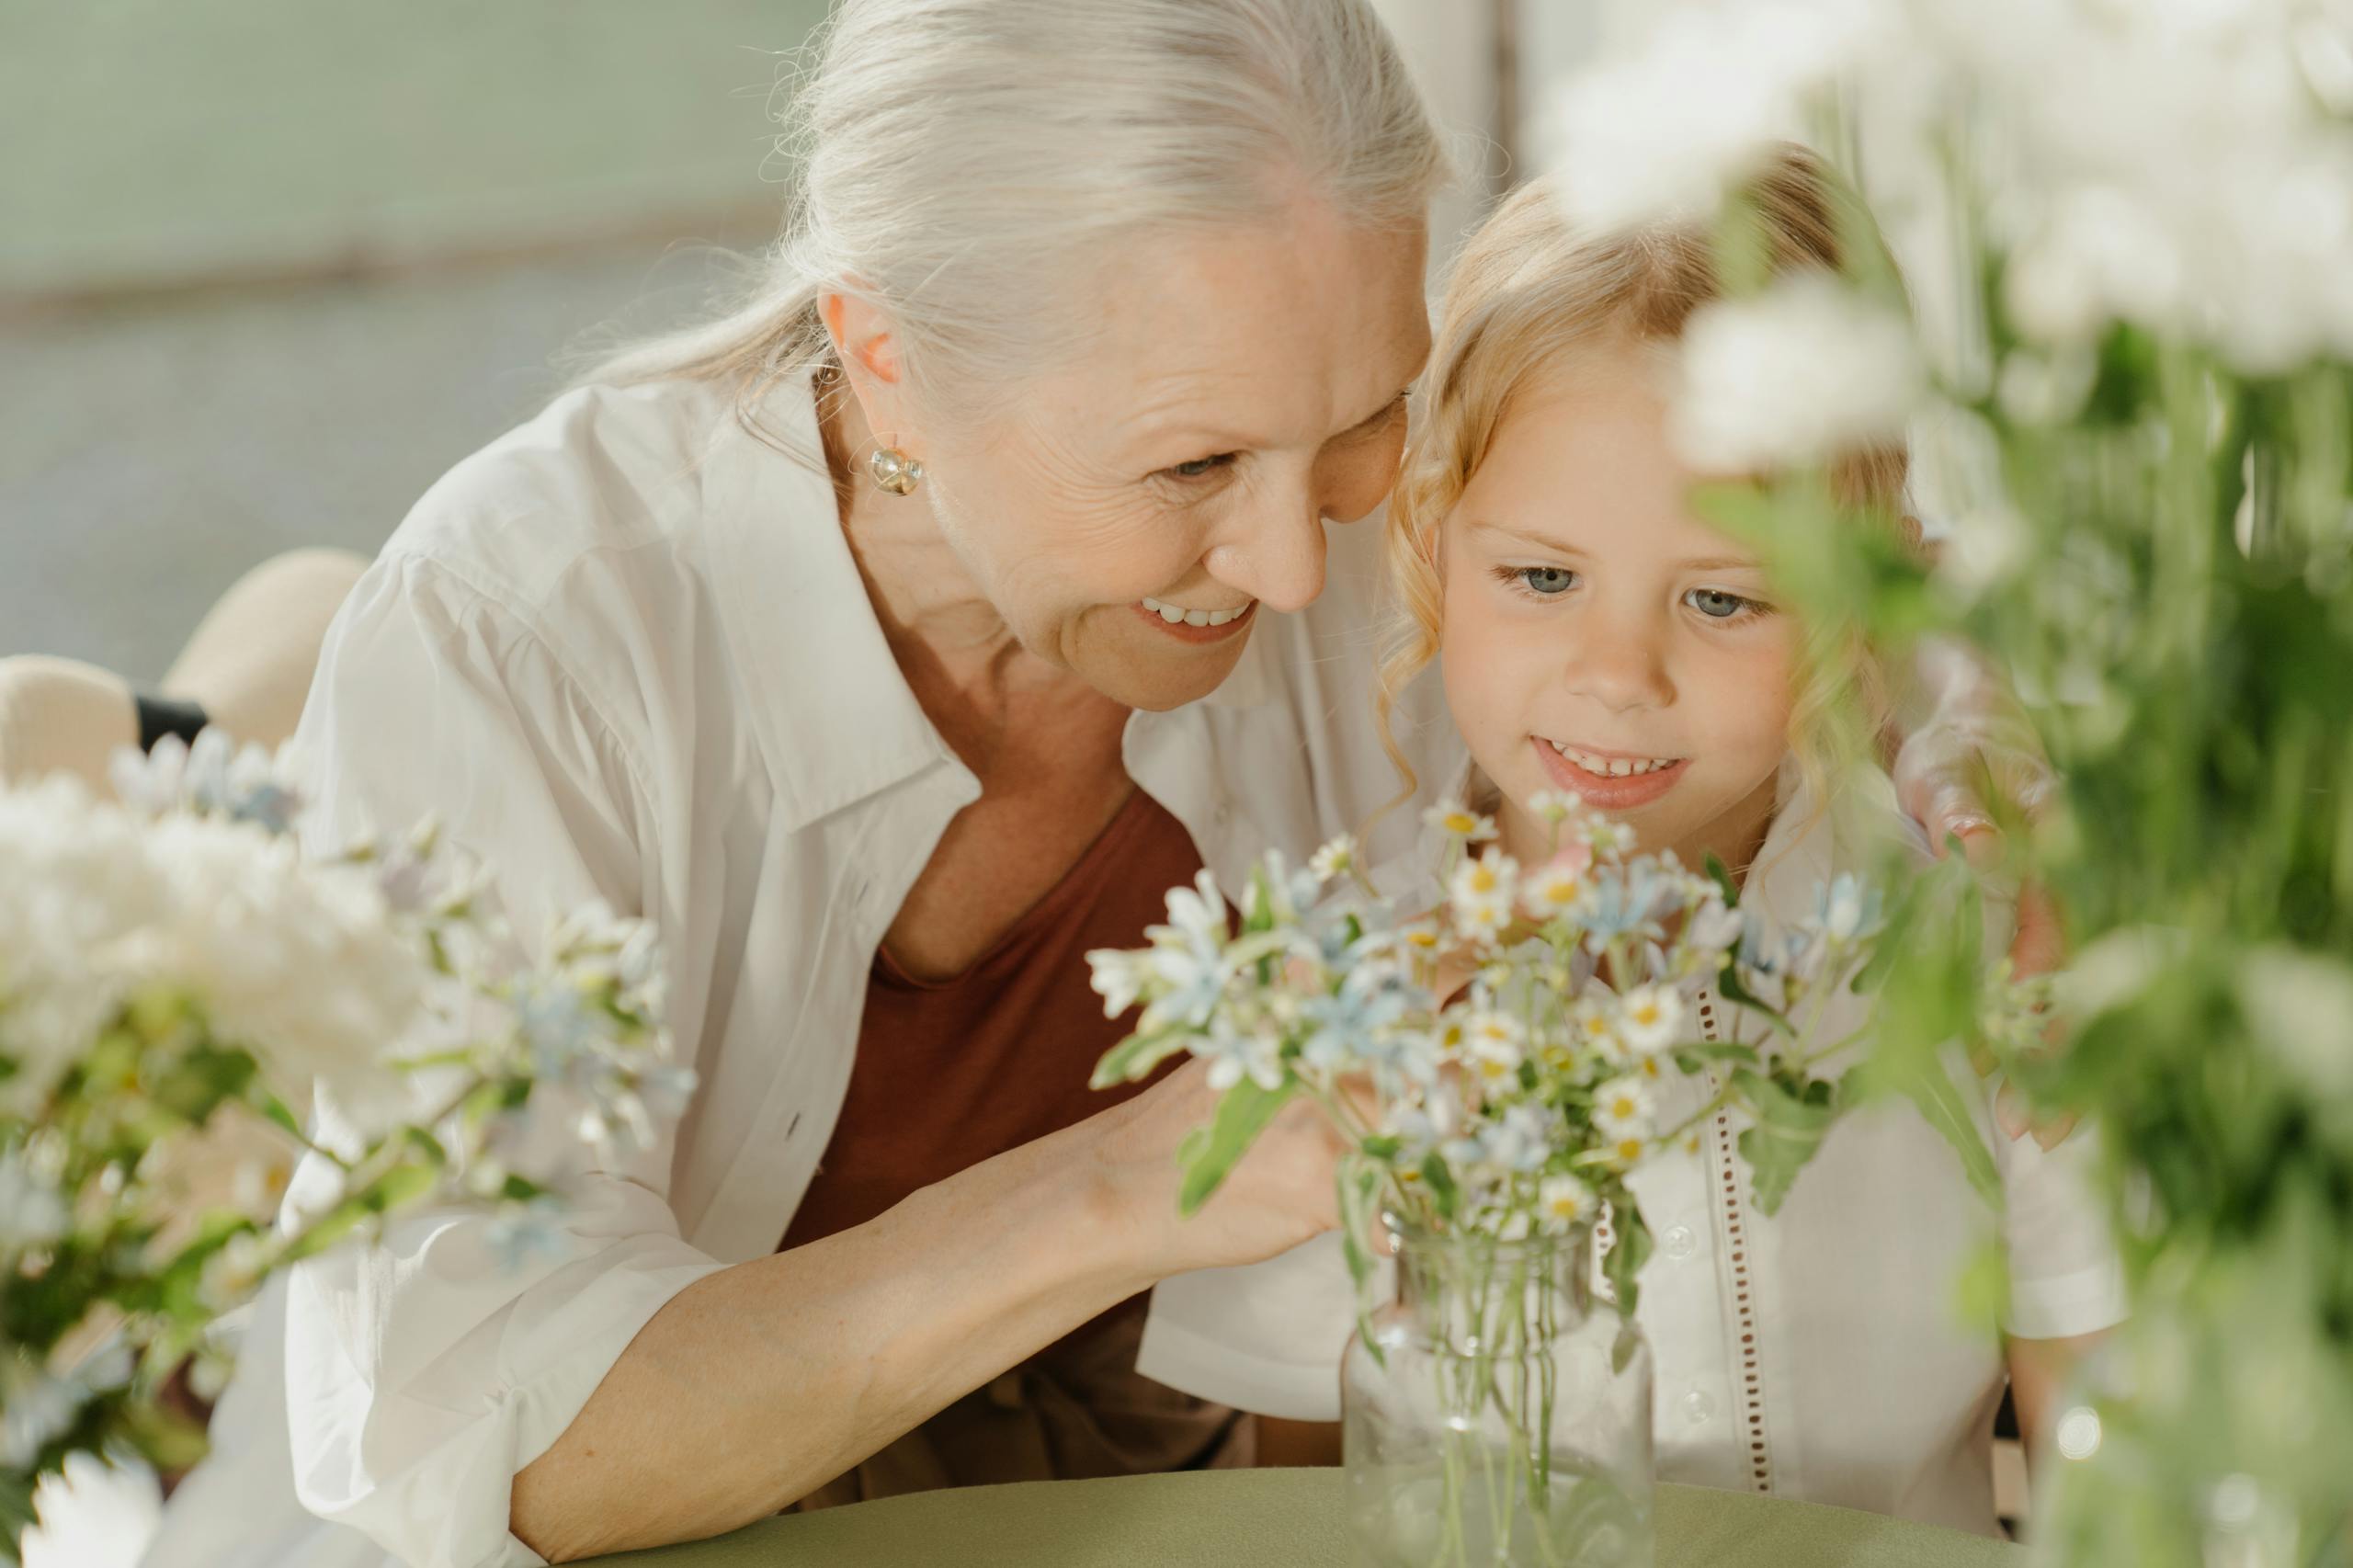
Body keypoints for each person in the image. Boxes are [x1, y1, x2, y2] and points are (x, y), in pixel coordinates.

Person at [149, 8, 2047, 1565]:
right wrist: (1137, 1176)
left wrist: (1980, 740)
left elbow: (1808, 552)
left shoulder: (1330, 510)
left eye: (1365, 419)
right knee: (255, 705)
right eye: (1188, 462)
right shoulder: (532, 628)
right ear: (886, 360)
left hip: (1145, 1497)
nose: (1303, 570)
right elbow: (487, 1441)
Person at [1136, 151, 2125, 1539]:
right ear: (1433, 542)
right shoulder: (1343, 1000)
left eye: (1722, 599)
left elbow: (2098, 1430)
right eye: (1542, 577)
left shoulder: (1984, 943)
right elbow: (1313, 1493)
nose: (1617, 674)